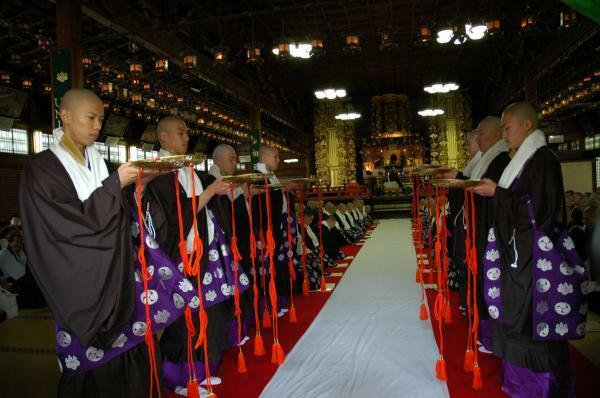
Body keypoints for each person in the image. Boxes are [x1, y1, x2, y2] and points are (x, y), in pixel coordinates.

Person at [19, 88, 164, 397]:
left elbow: (118, 211)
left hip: (117, 275)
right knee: (91, 373)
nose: (98, 124)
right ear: (66, 116)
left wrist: (137, 187)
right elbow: (68, 225)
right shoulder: (42, 168)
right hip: (82, 282)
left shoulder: (97, 160)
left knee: (132, 352)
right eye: (91, 117)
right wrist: (117, 184)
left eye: (101, 118)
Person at [470, 102, 576, 397]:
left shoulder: (543, 160)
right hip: (519, 260)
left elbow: (538, 212)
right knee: (516, 321)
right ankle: (519, 385)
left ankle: (539, 389)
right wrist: (499, 194)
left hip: (534, 263)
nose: (504, 135)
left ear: (526, 125)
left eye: (506, 127)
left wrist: (497, 194)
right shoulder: (524, 161)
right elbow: (520, 203)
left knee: (531, 323)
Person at [144, 116, 232, 395]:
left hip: (197, 251)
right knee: (181, 320)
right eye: (180, 133)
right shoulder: (159, 172)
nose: (186, 138)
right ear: (164, 138)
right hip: (176, 255)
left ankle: (197, 370)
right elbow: (177, 215)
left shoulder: (184, 167)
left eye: (186, 133)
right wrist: (210, 192)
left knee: (199, 314)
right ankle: (179, 377)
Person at [460, 116, 511, 353]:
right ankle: (485, 331)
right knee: (480, 277)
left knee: (490, 280)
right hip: (481, 227)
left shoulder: (501, 160)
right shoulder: (489, 160)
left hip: (493, 231)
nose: (478, 138)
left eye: (481, 133)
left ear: (495, 135)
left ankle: (492, 336)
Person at [205, 143, 252, 348]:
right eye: (231, 159)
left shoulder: (227, 182)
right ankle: (230, 335)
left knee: (235, 288)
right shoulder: (209, 181)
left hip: (234, 242)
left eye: (235, 158)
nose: (235, 163)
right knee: (225, 292)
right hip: (218, 246)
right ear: (217, 161)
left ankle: (236, 331)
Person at [253, 145, 294, 316]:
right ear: (263, 158)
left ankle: (277, 301)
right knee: (266, 268)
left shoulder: (271, 177)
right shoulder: (257, 177)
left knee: (278, 265)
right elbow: (259, 206)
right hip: (264, 229)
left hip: (276, 226)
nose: (278, 160)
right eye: (275, 157)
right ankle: (268, 306)